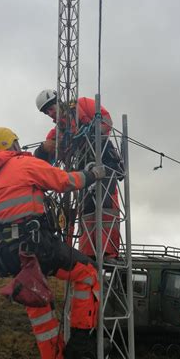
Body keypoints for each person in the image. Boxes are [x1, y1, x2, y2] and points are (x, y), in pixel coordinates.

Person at [0, 127, 106, 359]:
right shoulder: (23, 164)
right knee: (88, 273)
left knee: (36, 303)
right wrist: (92, 175)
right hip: (37, 244)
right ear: (14, 145)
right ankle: (81, 343)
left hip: (10, 256)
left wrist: (7, 254)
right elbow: (65, 181)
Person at [35, 89, 123, 258]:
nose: (50, 113)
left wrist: (86, 133)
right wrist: (43, 149)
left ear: (59, 101)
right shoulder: (57, 132)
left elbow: (106, 122)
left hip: (104, 159)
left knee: (105, 205)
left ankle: (108, 251)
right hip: (84, 170)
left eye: (51, 108)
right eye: (47, 112)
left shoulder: (84, 104)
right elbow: (45, 161)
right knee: (87, 209)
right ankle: (89, 253)